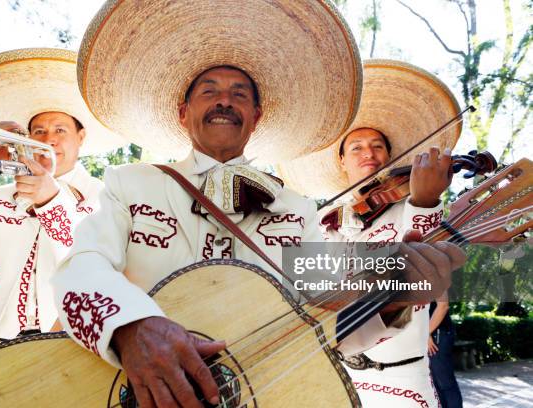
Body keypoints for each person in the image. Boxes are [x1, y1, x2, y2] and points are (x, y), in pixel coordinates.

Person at [53, 4, 466, 407]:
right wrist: (129, 327)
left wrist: (392, 300)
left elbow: (326, 325)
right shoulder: (131, 183)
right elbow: (80, 266)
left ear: (255, 114)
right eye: (208, 91)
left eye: (238, 94)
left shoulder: (299, 209)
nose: (224, 101)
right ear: (184, 112)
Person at [278, 59, 464, 407]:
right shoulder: (322, 221)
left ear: (391, 157)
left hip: (405, 378)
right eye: (357, 147)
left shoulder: (411, 208)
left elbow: (423, 269)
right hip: (341, 376)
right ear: (342, 162)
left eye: (378, 146)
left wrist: (425, 199)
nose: (369, 153)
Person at [0, 48, 124, 343]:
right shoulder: (2, 196)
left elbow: (90, 262)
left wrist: (51, 200)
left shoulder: (105, 195)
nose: (49, 139)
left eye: (60, 129)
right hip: (0, 341)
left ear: (81, 138)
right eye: (38, 131)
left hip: (71, 343)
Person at [429, 294, 464, 407]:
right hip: (430, 335)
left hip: (437, 335)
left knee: (444, 383)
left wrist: (425, 333)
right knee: (435, 385)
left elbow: (443, 305)